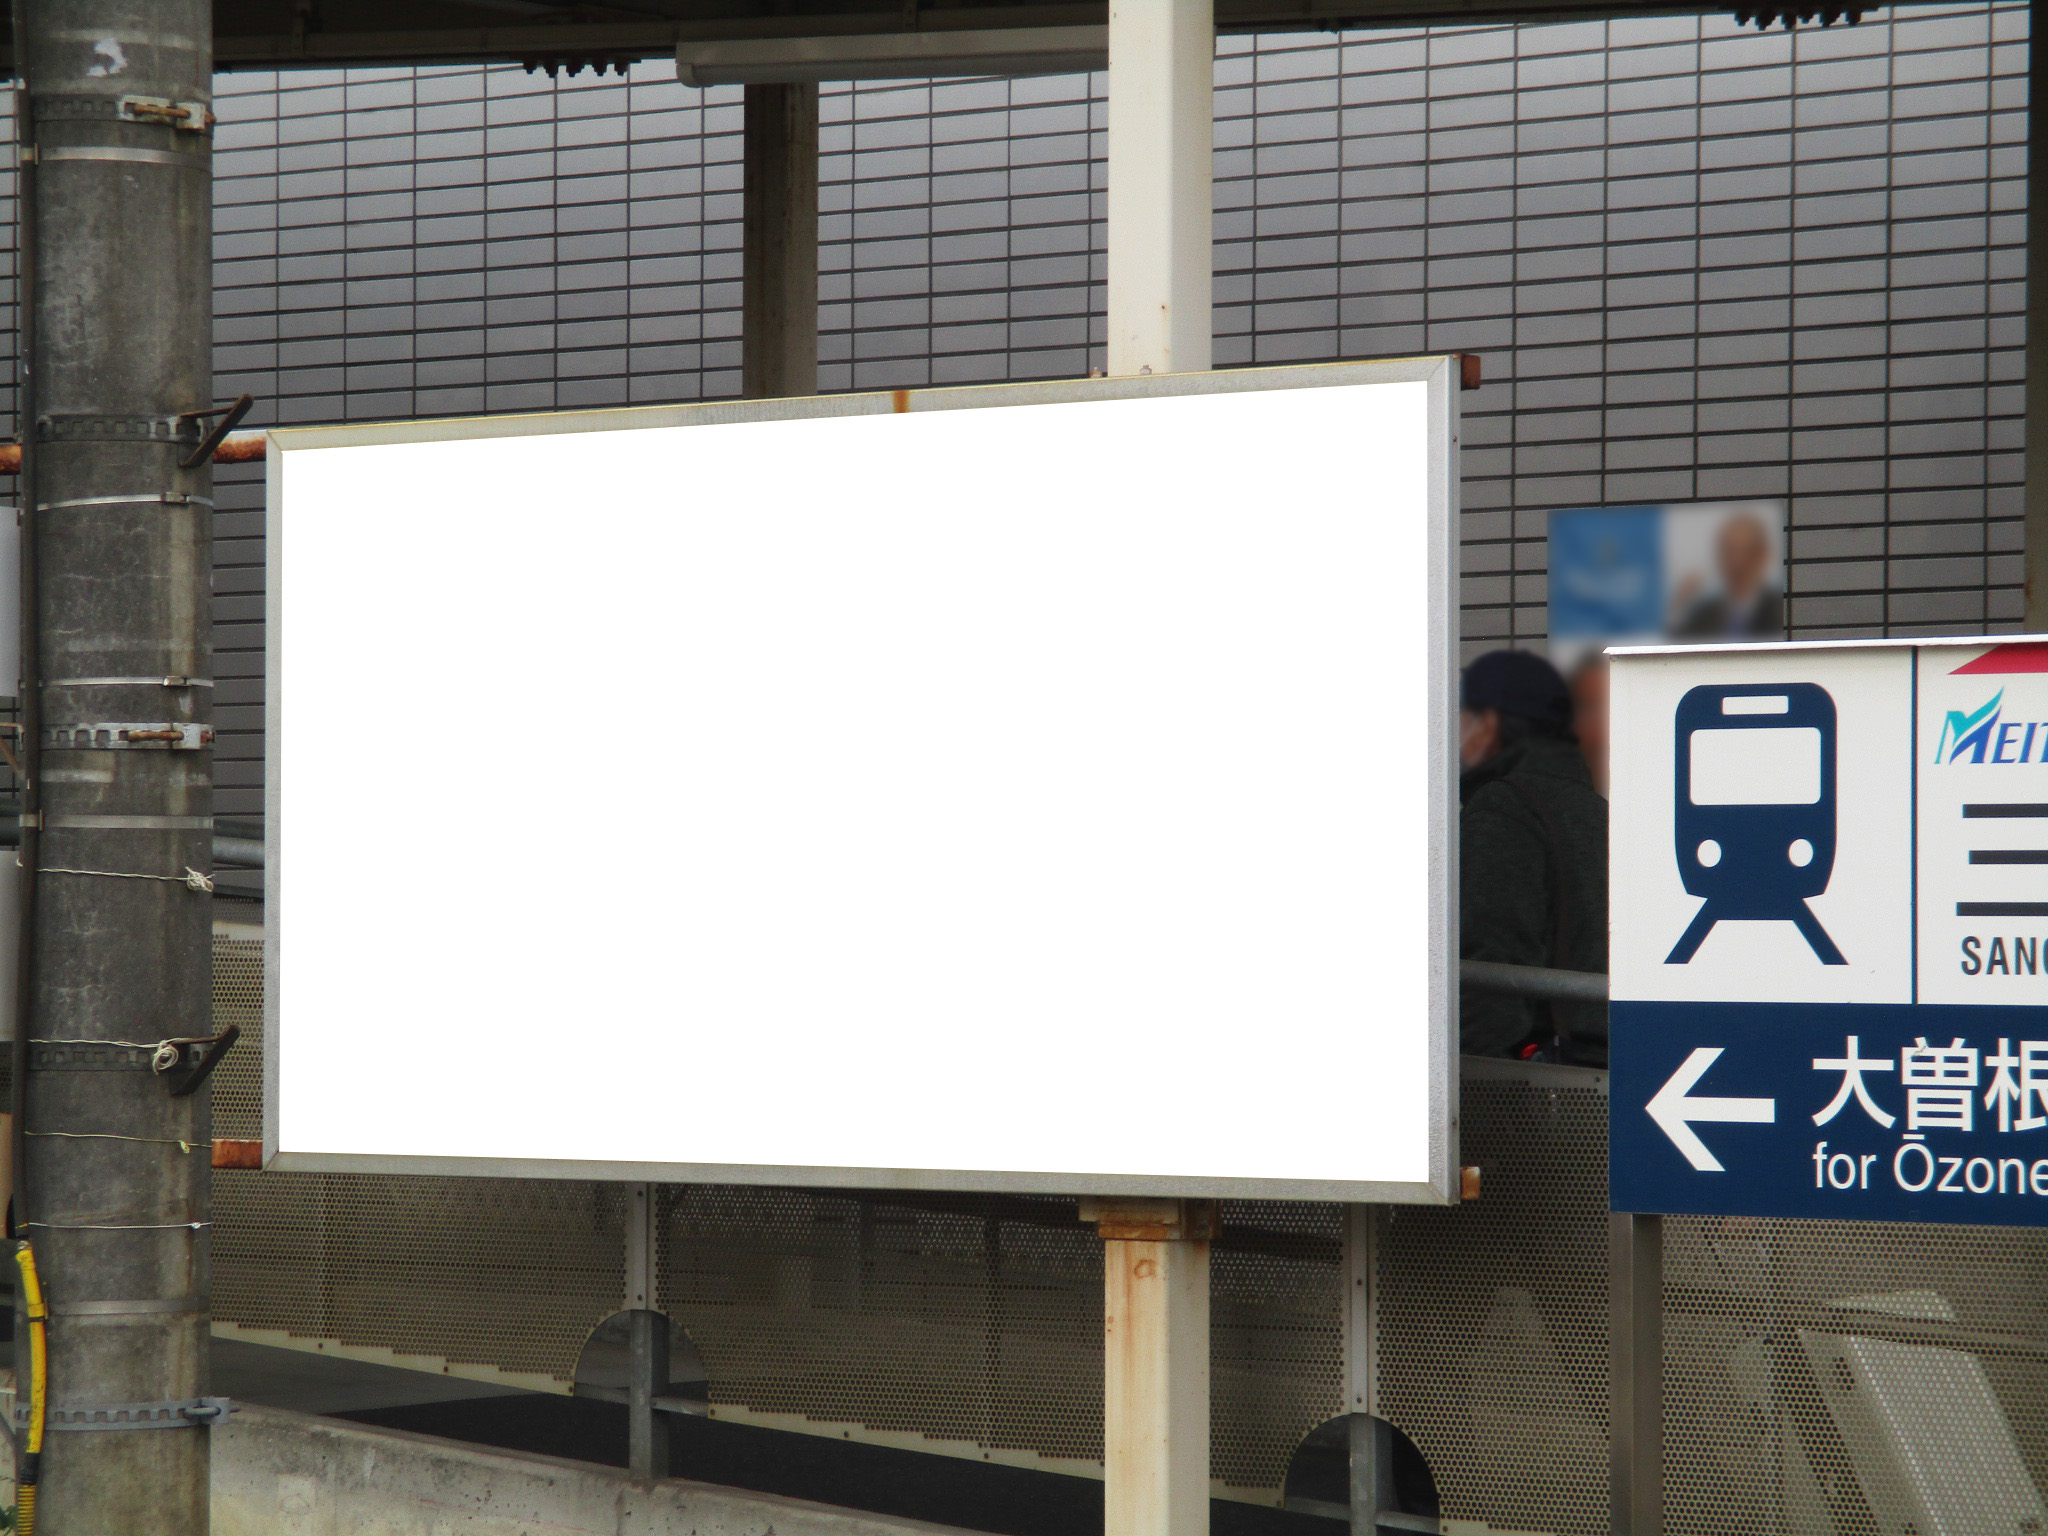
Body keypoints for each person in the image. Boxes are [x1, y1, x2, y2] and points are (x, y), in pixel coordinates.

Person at [1459, 650, 1608, 1065]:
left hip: (1539, 1087)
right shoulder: (1597, 812)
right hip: (1600, 1067)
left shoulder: (1503, 808)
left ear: (1488, 724)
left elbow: (1489, 969)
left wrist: (1480, 1090)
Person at [1672, 511, 1784, 640]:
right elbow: (1679, 652)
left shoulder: (1778, 611)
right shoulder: (1704, 614)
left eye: (1743, 551)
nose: (1735, 562)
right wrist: (1680, 605)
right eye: (1727, 551)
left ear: (1762, 556)